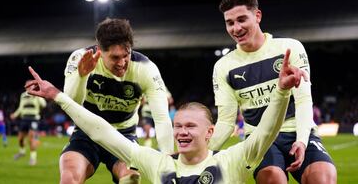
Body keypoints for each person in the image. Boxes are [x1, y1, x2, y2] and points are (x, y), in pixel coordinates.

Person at [26, 48, 306, 183]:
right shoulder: (158, 164)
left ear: (210, 132)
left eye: (190, 126)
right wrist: (58, 96)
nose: (182, 132)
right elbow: (102, 131)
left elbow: (267, 131)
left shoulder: (233, 160)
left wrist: (281, 92)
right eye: (178, 126)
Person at [210, 0, 337, 184]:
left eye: (242, 20)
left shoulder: (290, 48)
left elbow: (303, 101)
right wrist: (197, 155)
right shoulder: (223, 66)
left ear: (257, 16)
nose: (236, 28)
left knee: (323, 178)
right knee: (273, 179)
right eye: (230, 23)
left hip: (298, 130)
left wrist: (302, 141)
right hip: (259, 139)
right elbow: (226, 122)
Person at [62, 18, 174, 184]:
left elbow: (162, 118)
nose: (122, 63)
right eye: (115, 57)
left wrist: (168, 162)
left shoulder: (146, 69)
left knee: (130, 178)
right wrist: (81, 76)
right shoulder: (81, 58)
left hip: (123, 135)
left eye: (126, 55)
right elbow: (71, 105)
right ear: (99, 50)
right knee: (69, 179)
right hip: (86, 133)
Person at [10, 88, 47, 165]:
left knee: (31, 139)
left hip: (33, 119)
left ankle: (33, 159)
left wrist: (37, 95)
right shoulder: (23, 95)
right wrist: (15, 114)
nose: (29, 87)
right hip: (24, 119)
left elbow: (44, 104)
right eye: (28, 85)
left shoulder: (37, 94)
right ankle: (22, 152)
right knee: (20, 138)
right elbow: (21, 107)